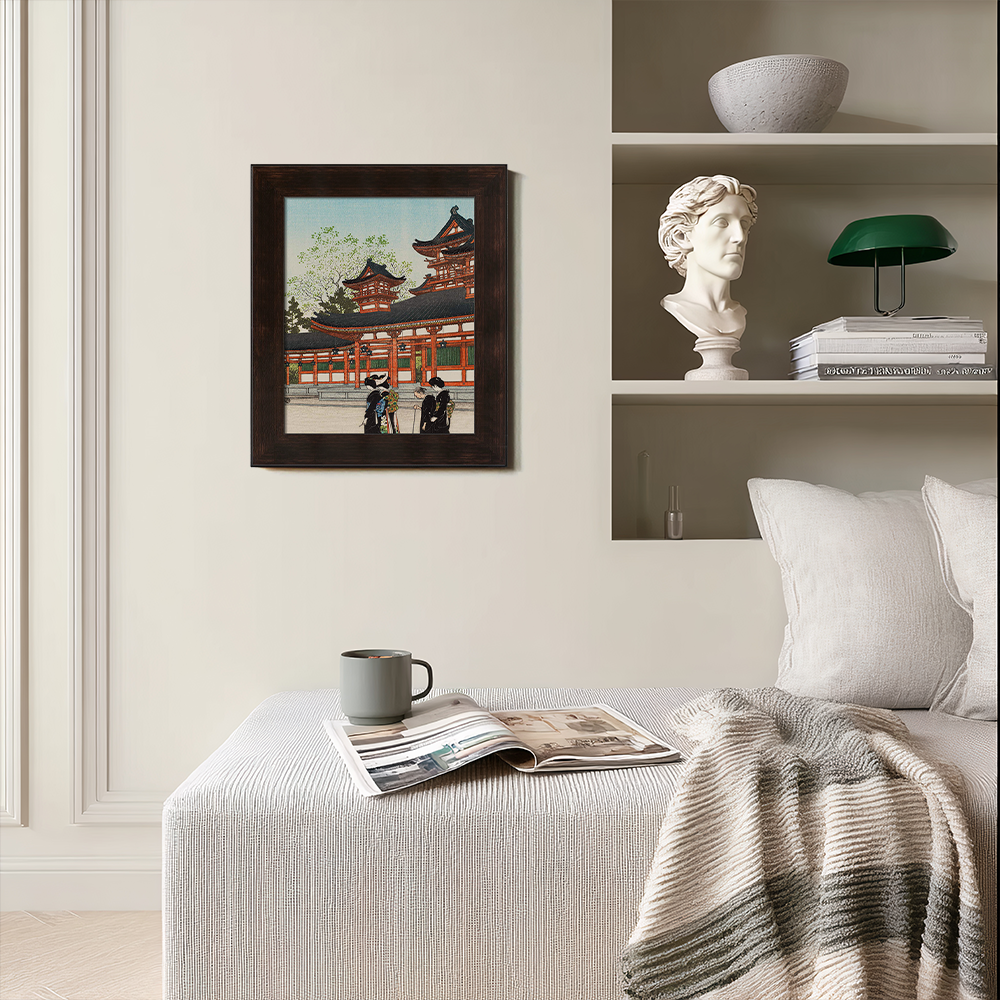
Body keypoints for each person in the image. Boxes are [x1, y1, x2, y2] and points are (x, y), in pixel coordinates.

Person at [657, 175, 758, 341]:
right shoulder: (676, 308)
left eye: (744, 224)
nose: (740, 237)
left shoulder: (740, 315)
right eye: (722, 222)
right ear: (682, 236)